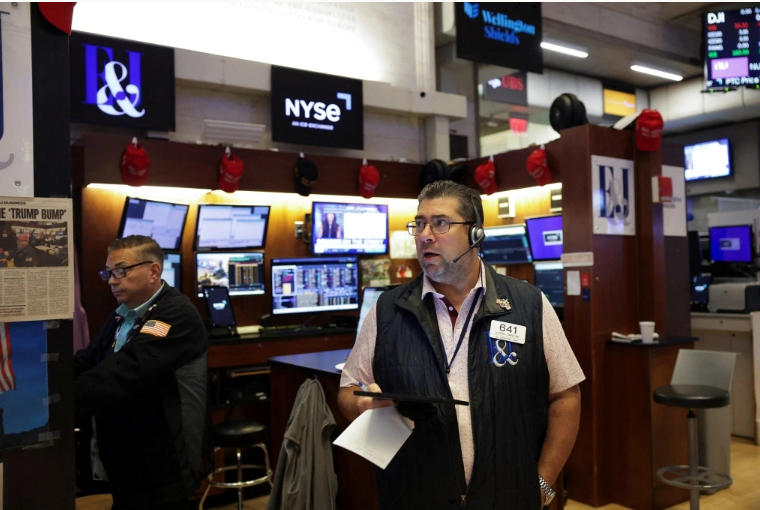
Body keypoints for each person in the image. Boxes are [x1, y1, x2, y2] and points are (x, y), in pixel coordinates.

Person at [337, 181, 584, 510]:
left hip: (509, 499)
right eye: (419, 224)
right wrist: (361, 405)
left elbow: (566, 396)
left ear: (475, 234)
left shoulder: (529, 305)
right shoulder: (387, 310)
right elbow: (348, 389)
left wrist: (542, 484)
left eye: (440, 223)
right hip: (415, 499)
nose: (425, 235)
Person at [74, 235, 209, 510]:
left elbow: (124, 373)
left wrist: (56, 404)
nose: (112, 281)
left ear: (154, 271)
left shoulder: (176, 313)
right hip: (128, 459)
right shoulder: (123, 314)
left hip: (163, 464)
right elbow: (89, 360)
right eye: (108, 273)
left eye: (121, 271)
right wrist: (44, 382)